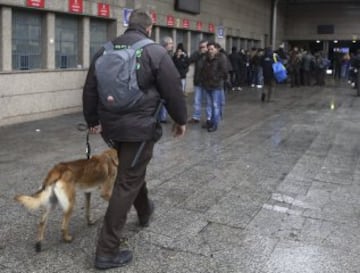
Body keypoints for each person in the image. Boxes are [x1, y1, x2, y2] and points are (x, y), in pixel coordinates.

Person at [82, 9, 187, 270]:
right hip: (139, 128)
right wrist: (181, 119)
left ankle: (144, 211)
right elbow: (173, 89)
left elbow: (90, 88)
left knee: (131, 169)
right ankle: (106, 251)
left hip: (112, 128)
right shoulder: (155, 51)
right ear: (149, 28)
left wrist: (93, 120)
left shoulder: (104, 50)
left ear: (128, 25)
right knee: (127, 180)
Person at [200, 41, 228, 132]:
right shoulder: (206, 58)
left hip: (216, 85)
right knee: (209, 105)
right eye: (209, 49)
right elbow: (203, 70)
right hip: (207, 85)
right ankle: (210, 121)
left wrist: (216, 79)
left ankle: (215, 124)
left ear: (216, 49)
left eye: (212, 49)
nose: (210, 51)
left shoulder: (221, 58)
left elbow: (224, 71)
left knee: (215, 105)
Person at [187, 40, 211, 125]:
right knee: (197, 100)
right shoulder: (198, 55)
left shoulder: (210, 56)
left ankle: (209, 118)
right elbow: (189, 60)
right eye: (200, 47)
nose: (202, 49)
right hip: (198, 82)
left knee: (208, 101)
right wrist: (198, 53)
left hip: (207, 82)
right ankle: (196, 117)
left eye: (204, 47)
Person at [158, 36, 175, 123]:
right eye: (171, 43)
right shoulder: (161, 54)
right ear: (166, 44)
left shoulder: (169, 54)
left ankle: (162, 117)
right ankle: (159, 117)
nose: (172, 45)